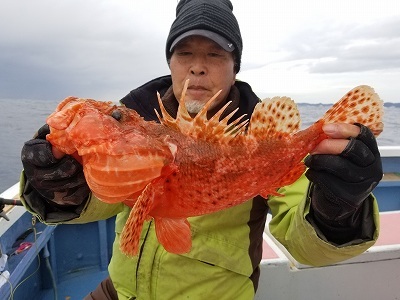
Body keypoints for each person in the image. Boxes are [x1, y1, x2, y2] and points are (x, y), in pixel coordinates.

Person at [19, 0, 382, 299]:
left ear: (234, 66)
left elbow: (307, 246)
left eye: (215, 54)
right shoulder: (139, 121)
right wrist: (60, 189)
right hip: (118, 291)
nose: (197, 67)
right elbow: (103, 198)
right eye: (185, 53)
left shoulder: (259, 141)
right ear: (171, 63)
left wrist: (339, 211)